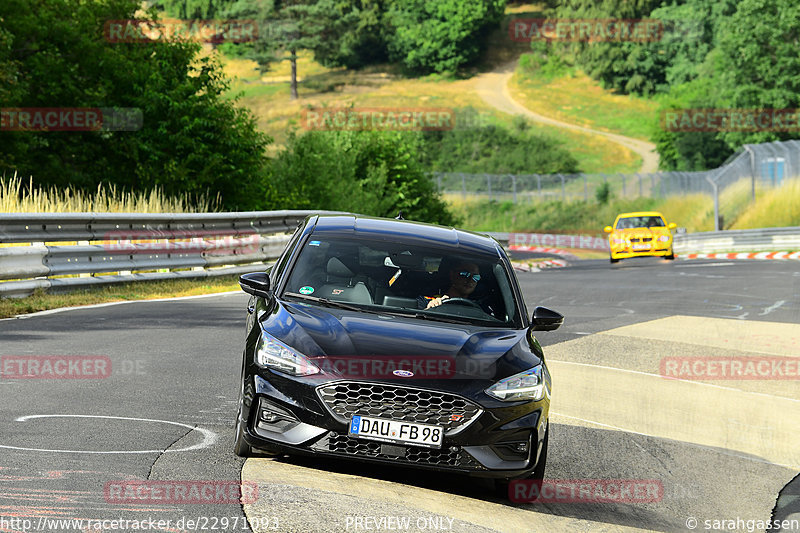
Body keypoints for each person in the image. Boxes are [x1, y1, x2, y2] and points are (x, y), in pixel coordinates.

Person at [418, 261, 486, 310]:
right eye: (464, 274)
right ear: (452, 274)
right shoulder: (426, 300)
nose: (470, 280)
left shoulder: (479, 308)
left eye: (476, 277)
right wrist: (430, 309)